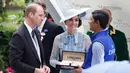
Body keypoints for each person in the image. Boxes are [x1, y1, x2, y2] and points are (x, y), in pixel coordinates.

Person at [9, 3, 50, 73]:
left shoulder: (36, 32)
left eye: (44, 15)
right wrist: (35, 70)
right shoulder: (19, 35)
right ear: (31, 15)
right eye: (40, 15)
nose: (43, 18)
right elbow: (14, 63)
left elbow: (37, 56)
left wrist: (43, 65)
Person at [37, 2, 64, 73]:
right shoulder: (33, 27)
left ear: (44, 13)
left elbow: (60, 52)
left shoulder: (56, 28)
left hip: (50, 69)